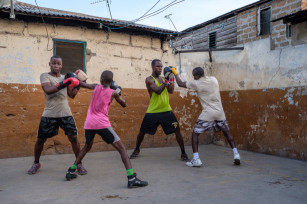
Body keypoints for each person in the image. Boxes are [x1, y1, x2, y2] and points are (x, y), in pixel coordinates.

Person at [65, 70, 148, 188]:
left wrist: (73, 78)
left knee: (87, 147)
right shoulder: (113, 93)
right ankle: (132, 178)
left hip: (89, 124)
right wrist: (118, 92)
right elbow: (124, 104)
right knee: (122, 149)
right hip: (102, 124)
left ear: (101, 79)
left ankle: (71, 170)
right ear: (112, 81)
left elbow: (81, 84)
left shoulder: (95, 86)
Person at [27, 55, 88, 175]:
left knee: (74, 138)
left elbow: (72, 95)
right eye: (53, 63)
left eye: (58, 64)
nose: (56, 66)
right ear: (49, 64)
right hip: (49, 114)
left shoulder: (65, 77)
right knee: (40, 140)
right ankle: (36, 163)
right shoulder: (45, 76)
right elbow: (48, 90)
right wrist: (66, 82)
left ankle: (79, 164)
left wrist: (80, 83)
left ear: (61, 66)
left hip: (65, 113)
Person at [172, 67, 241, 166]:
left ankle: (196, 159)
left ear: (197, 75)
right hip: (220, 112)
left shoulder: (196, 83)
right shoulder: (214, 79)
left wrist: (175, 73)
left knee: (195, 134)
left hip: (208, 113)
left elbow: (180, 84)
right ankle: (236, 154)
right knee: (226, 132)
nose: (194, 78)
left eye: (194, 76)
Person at [129, 59, 189, 161]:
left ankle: (183, 153)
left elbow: (171, 91)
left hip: (166, 110)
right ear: (152, 67)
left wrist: (171, 79)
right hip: (153, 111)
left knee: (177, 130)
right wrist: (166, 80)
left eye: (161, 66)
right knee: (142, 132)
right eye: (158, 66)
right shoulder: (149, 79)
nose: (160, 68)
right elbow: (157, 91)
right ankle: (137, 149)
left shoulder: (163, 78)